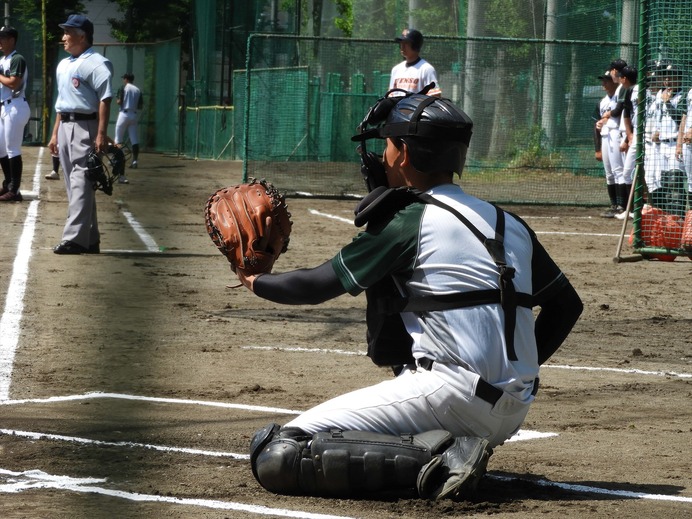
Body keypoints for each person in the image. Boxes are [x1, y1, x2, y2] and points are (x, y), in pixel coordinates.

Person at [239, 93, 583, 501]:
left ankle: (446, 459)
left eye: (387, 143)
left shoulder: (410, 222)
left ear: (403, 153)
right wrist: (510, 376)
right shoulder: (510, 223)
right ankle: (449, 447)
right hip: (512, 408)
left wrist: (253, 278)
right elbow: (566, 305)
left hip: (450, 396)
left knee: (281, 452)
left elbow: (316, 285)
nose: (381, 154)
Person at [48, 14, 113, 255]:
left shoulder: (97, 63)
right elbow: (61, 104)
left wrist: (101, 134)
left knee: (81, 181)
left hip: (86, 126)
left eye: (68, 32)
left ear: (82, 35)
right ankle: (90, 238)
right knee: (75, 184)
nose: (63, 37)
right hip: (65, 126)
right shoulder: (63, 64)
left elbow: (105, 98)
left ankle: (74, 238)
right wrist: (55, 134)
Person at [0, 26, 30, 202]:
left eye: (3, 38)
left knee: (12, 149)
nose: (0, 41)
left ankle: (15, 190)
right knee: (1, 148)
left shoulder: (17, 58)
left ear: (12, 40)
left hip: (16, 105)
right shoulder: (4, 59)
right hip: (4, 107)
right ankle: (8, 184)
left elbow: (13, 83)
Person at [595, 70, 621, 217]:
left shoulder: (620, 98)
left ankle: (621, 205)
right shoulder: (602, 102)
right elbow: (596, 124)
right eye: (603, 80)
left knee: (618, 172)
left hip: (617, 135)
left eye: (606, 80)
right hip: (605, 137)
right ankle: (614, 204)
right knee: (609, 173)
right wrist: (597, 148)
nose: (603, 83)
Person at [388, 29, 441, 97]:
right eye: (401, 43)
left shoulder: (426, 69)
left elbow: (435, 96)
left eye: (406, 43)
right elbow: (391, 96)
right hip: (398, 107)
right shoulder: (396, 69)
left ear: (415, 45)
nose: (402, 46)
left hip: (416, 107)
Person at [114, 72, 143, 181]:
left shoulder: (123, 87)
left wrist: (118, 100)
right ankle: (135, 161)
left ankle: (117, 160)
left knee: (118, 138)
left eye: (124, 78)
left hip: (124, 114)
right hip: (134, 115)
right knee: (134, 139)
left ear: (126, 79)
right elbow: (140, 105)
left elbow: (119, 102)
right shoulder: (137, 90)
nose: (123, 80)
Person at [675, 83, 692, 208]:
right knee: (691, 181)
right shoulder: (690, 91)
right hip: (687, 142)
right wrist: (679, 144)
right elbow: (684, 118)